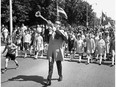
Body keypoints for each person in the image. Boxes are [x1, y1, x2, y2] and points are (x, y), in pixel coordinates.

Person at [45, 21, 68, 86]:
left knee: (58, 64)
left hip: (58, 51)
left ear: (60, 25)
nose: (56, 24)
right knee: (50, 65)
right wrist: (48, 28)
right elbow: (46, 39)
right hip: (51, 50)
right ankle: (49, 79)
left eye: (58, 24)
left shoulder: (62, 31)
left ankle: (60, 75)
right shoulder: (51, 31)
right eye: (55, 23)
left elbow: (65, 39)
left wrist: (56, 30)